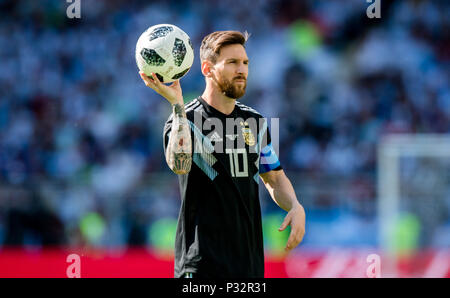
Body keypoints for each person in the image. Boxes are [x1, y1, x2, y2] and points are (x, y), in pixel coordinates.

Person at [139, 30, 305, 278]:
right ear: (207, 69)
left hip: (248, 266)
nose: (242, 70)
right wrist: (177, 106)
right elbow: (179, 164)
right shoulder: (186, 118)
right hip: (200, 266)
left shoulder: (256, 122)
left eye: (245, 63)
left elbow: (274, 177)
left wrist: (295, 204)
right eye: (233, 62)